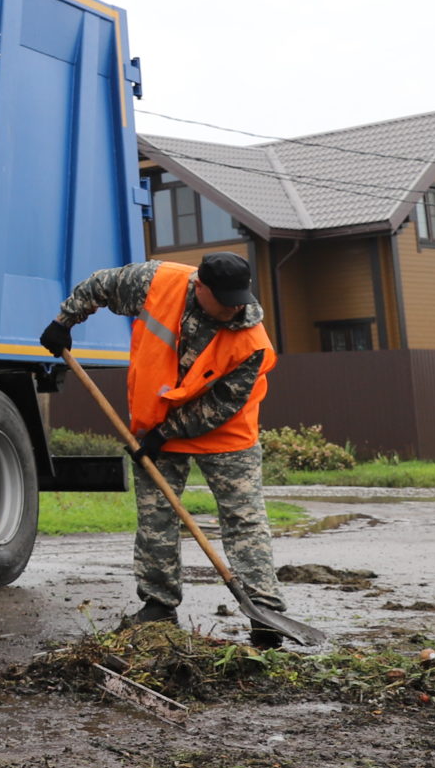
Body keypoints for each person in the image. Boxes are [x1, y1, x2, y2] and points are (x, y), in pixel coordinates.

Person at [37, 252, 288, 646]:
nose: (233, 307)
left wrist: (163, 435)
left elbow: (220, 405)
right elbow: (100, 284)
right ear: (199, 286)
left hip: (226, 432)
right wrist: (64, 321)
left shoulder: (253, 341)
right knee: (156, 517)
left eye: (238, 298)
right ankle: (158, 606)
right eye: (223, 299)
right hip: (155, 423)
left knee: (244, 519)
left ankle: (265, 612)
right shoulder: (158, 282)